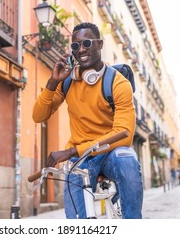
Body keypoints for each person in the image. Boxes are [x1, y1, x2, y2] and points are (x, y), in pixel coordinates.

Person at [32, 22, 143, 219]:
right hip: (81, 160)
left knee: (126, 158)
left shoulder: (118, 83)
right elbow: (38, 116)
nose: (81, 50)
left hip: (110, 153)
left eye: (86, 43)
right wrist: (53, 82)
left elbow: (124, 137)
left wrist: (71, 151)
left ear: (100, 44)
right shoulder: (67, 82)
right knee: (76, 220)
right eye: (75, 46)